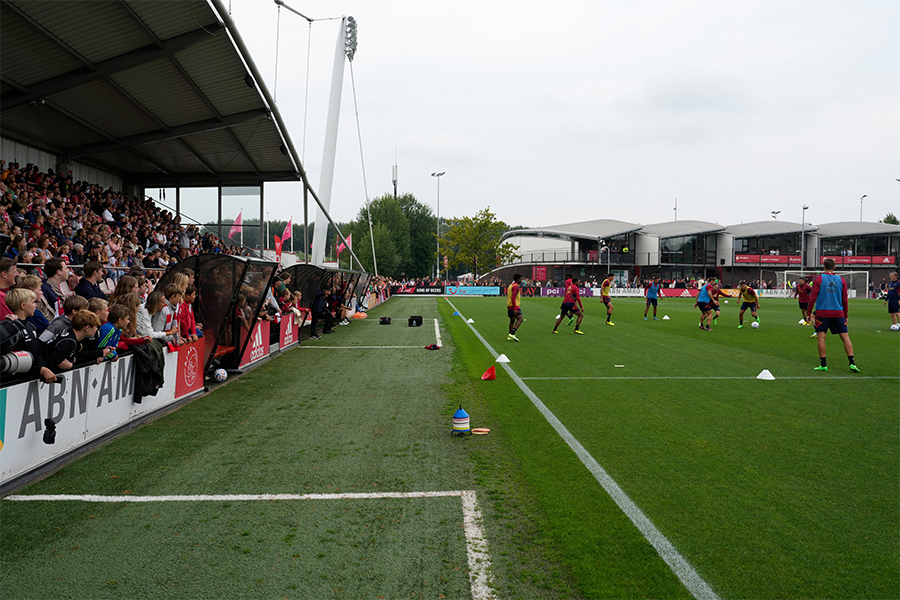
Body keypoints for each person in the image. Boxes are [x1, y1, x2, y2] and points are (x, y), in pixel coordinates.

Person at [808, 257, 859, 372]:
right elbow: (845, 299)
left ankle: (823, 365)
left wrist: (809, 312)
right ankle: (852, 363)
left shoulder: (818, 280)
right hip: (838, 313)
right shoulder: (841, 280)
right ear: (835, 267)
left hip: (822, 313)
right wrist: (845, 314)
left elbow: (813, 297)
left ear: (824, 267)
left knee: (821, 338)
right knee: (845, 338)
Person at [1, 288, 57, 383]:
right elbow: (14, 361)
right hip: (16, 382)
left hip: (33, 380)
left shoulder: (31, 326)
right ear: (23, 305)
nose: (35, 305)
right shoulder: (9, 329)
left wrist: (43, 368)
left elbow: (38, 352)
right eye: (33, 302)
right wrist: (40, 370)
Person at [506, 273, 523, 341]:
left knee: (512, 320)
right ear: (518, 279)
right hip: (514, 305)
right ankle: (512, 333)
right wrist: (515, 308)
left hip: (509, 305)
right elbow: (513, 297)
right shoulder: (516, 286)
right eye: (520, 279)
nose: (521, 280)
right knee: (520, 319)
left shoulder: (511, 285)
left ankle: (509, 335)